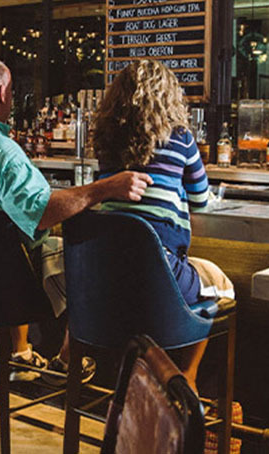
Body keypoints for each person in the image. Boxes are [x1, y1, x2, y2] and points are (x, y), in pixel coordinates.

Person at [0, 56, 152, 383]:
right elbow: (42, 213)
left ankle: (20, 356)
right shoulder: (2, 152)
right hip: (5, 290)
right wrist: (105, 188)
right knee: (93, 259)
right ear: (2, 93)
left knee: (18, 244)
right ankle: (69, 363)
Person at [93, 59, 234, 391]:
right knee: (222, 287)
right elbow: (201, 200)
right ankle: (188, 378)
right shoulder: (181, 138)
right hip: (160, 275)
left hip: (104, 279)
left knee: (141, 295)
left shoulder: (106, 141)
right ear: (169, 96)